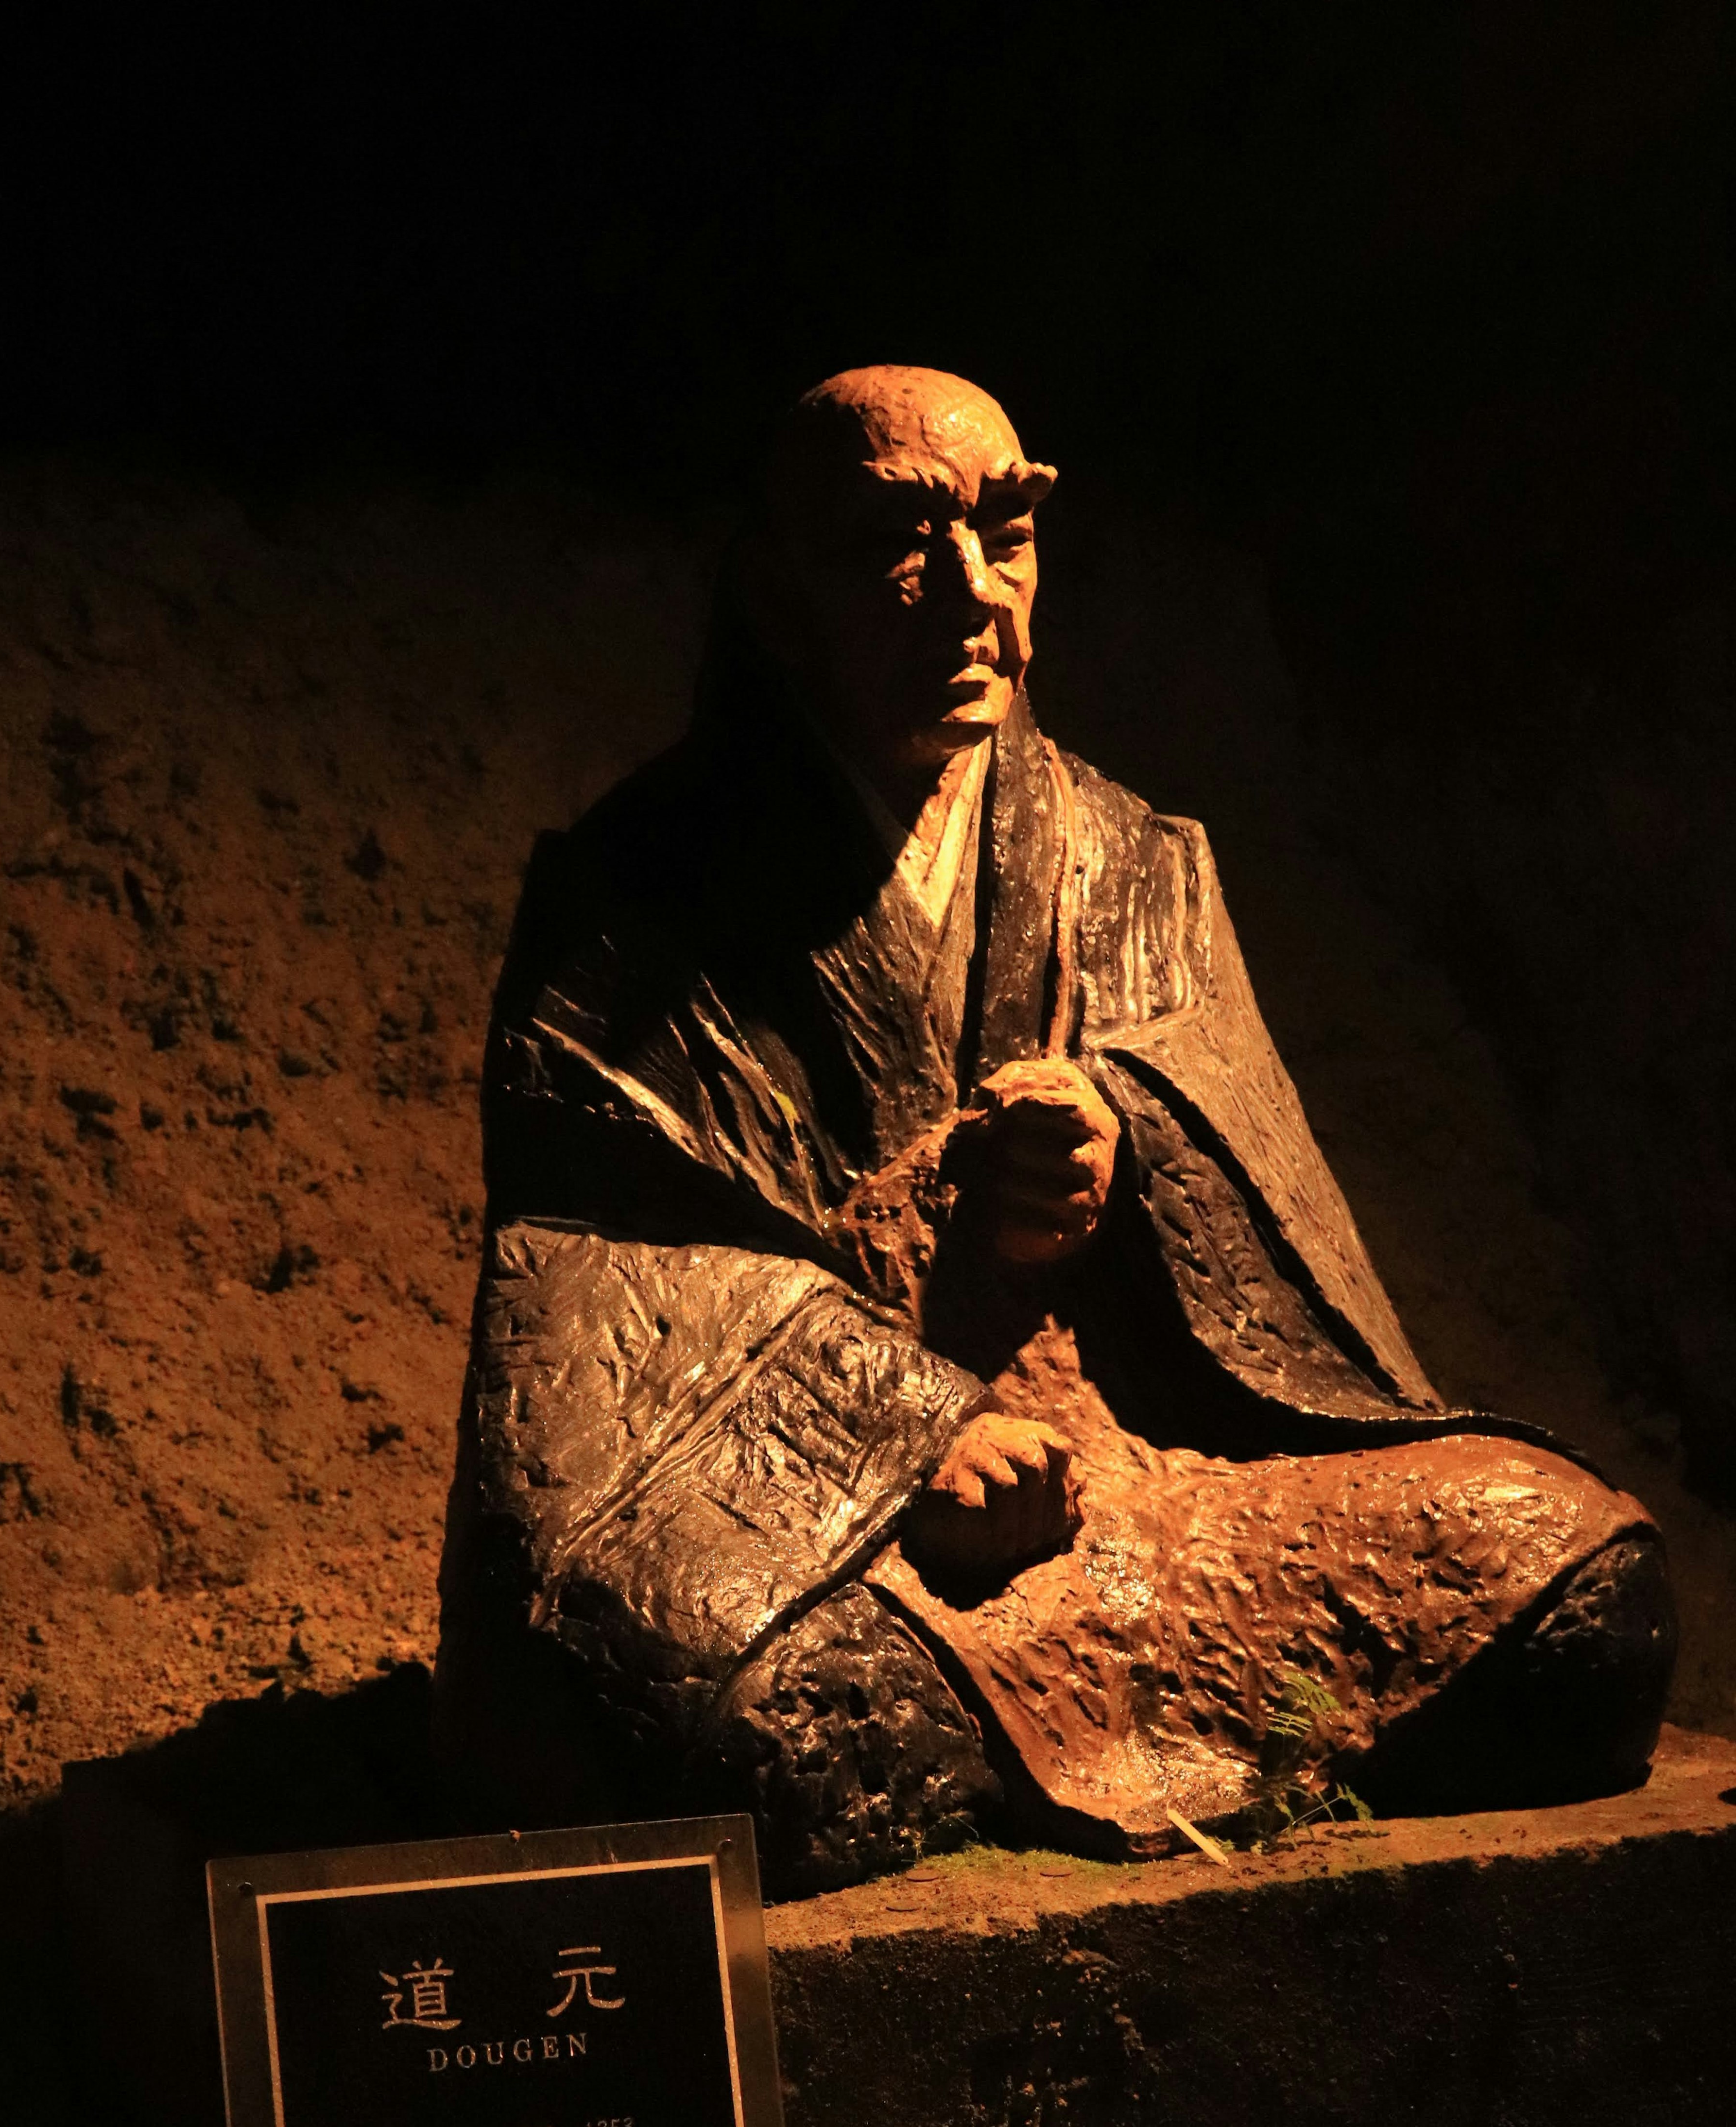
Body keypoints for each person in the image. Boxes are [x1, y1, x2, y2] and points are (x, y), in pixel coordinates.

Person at [434, 365, 1674, 1892]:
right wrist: (907, 1443)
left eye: (1006, 533)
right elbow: (605, 1260)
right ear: (772, 590)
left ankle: (1063, 1733)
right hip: (845, 1545)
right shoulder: (627, 906)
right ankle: (1113, 1719)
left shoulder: (1131, 857)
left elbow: (1283, 1271)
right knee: (696, 1716)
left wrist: (1128, 1140)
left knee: (1581, 1575)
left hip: (1147, 1487)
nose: (970, 593)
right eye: (903, 541)